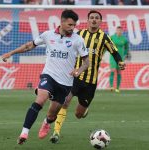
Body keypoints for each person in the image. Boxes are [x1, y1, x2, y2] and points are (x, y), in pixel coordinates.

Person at [1, 9, 89, 145]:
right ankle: (24, 132)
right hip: (49, 75)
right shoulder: (48, 35)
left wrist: (79, 69)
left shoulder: (78, 40)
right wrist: (10, 53)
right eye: (70, 25)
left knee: (52, 114)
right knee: (40, 99)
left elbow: (87, 61)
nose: (73, 28)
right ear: (62, 22)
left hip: (65, 83)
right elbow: (29, 45)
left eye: (74, 25)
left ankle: (47, 122)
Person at [38, 10, 126, 143]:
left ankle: (84, 111)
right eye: (91, 18)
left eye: (97, 18)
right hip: (75, 77)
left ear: (100, 21)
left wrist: (120, 61)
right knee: (65, 101)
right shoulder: (79, 34)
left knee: (79, 114)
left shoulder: (104, 37)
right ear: (88, 20)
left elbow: (114, 51)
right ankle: (56, 132)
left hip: (90, 82)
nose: (94, 20)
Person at [109, 26, 129, 92]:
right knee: (113, 70)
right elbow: (107, 45)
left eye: (120, 30)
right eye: (118, 30)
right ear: (116, 31)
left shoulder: (124, 39)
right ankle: (111, 86)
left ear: (122, 31)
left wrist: (125, 54)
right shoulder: (112, 37)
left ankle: (117, 88)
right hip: (113, 57)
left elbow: (127, 48)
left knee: (119, 72)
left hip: (121, 58)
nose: (119, 31)